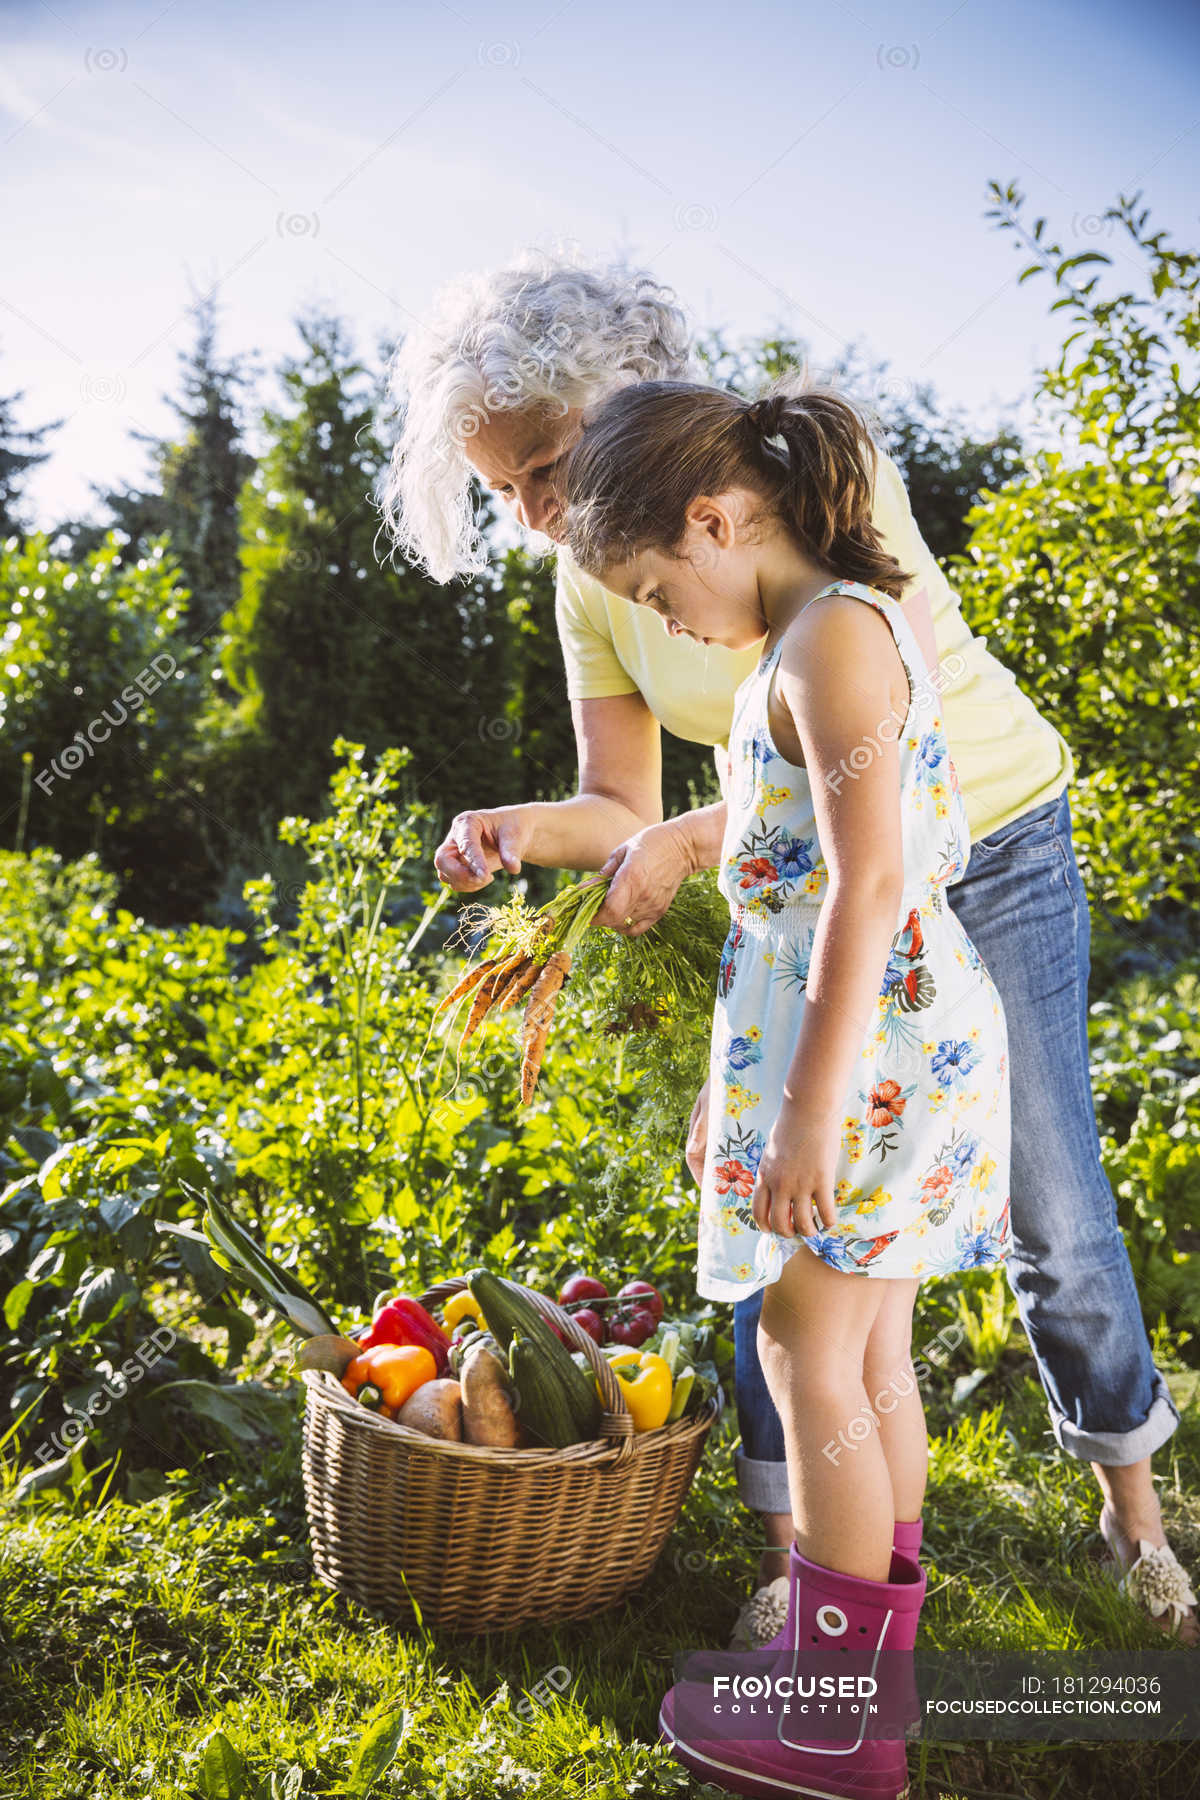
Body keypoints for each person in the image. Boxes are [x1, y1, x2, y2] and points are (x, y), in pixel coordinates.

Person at [377, 250, 1196, 1651]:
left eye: (546, 464)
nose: (533, 511)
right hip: (813, 907)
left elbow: (885, 750)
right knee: (805, 1295)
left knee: (1050, 1204)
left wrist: (703, 856)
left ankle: (1134, 1523)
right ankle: (822, 1571)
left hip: (968, 847)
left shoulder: (803, 501)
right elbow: (623, 806)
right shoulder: (600, 572)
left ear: (639, 412)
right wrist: (523, 829)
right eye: (505, 488)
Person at [559, 375, 1014, 1795]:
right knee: (866, 1361)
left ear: (713, 518)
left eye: (653, 586)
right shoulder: (814, 643)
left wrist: (808, 1109)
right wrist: (747, 1090)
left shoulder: (827, 644)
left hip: (864, 1057)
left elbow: (869, 883)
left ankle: (834, 1718)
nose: (662, 621)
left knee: (804, 1356)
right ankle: (871, 1684)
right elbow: (788, 857)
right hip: (857, 1045)